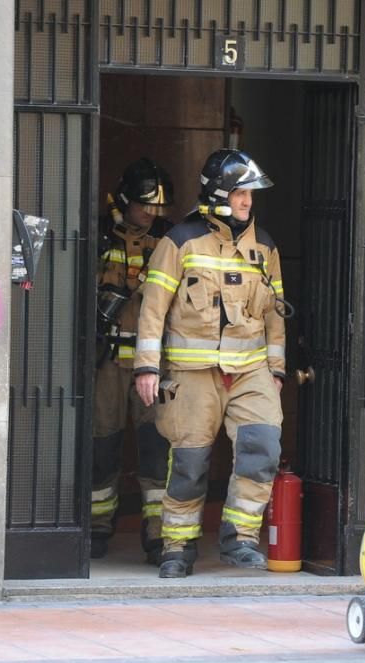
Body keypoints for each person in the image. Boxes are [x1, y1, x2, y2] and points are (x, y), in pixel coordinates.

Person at [133, 148, 287, 578]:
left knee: (262, 449)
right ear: (218, 193)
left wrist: (275, 370)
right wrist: (147, 366)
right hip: (193, 374)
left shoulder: (265, 247)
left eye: (250, 195)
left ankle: (240, 538)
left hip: (251, 371)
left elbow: (276, 314)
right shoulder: (179, 241)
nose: (247, 202)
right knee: (189, 462)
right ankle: (177, 547)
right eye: (240, 193)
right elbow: (152, 309)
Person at [91, 158, 174, 563]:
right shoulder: (97, 235)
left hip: (154, 363)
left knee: (155, 447)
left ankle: (157, 534)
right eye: (146, 205)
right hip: (107, 360)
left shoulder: (170, 241)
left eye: (158, 207)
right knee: (102, 444)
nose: (153, 213)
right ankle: (96, 527)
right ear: (125, 200)